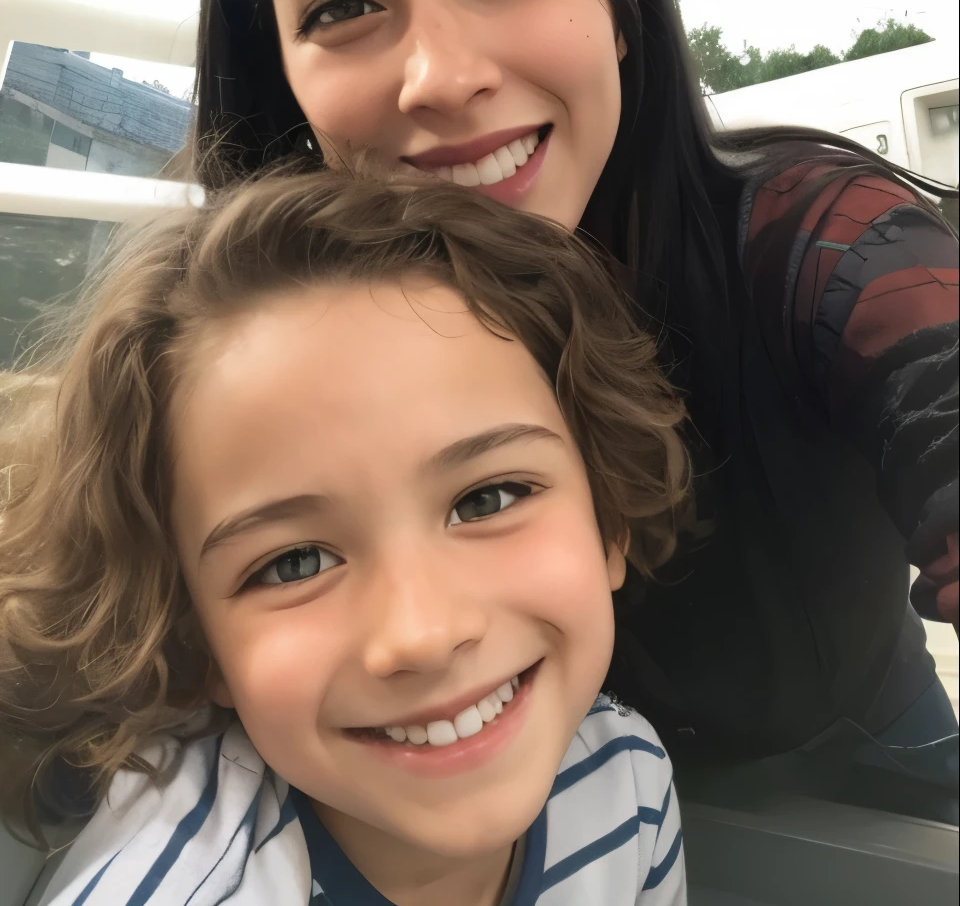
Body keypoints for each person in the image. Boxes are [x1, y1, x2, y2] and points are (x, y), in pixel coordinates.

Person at [190, 0, 959, 780]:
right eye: (342, 7)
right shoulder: (258, 350)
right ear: (280, 68)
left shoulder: (817, 244)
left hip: (873, 814)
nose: (442, 75)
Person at [0, 168, 689, 905]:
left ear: (608, 516)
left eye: (487, 499)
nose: (423, 634)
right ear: (197, 642)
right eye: (295, 563)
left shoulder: (629, 782)